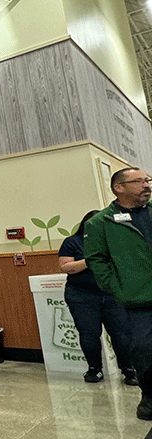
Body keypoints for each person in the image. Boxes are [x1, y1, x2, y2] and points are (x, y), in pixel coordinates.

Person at [84, 167, 152, 421]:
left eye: (148, 180)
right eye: (139, 181)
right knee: (145, 351)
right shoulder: (100, 223)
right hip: (138, 300)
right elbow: (96, 261)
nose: (147, 185)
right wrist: (119, 287)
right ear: (118, 188)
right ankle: (149, 398)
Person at [58, 210, 137, 385]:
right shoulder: (72, 242)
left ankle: (129, 370)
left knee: (122, 333)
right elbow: (65, 266)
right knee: (89, 334)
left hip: (112, 294)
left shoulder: (115, 241)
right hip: (81, 295)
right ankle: (95, 369)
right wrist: (90, 260)